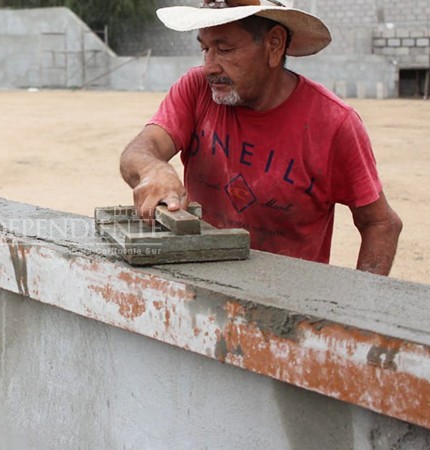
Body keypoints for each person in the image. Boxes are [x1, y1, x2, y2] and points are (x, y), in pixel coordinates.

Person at [120, 0, 403, 275]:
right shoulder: (196, 91)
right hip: (204, 284)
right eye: (205, 49)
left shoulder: (333, 123)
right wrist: (153, 169)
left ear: (274, 45)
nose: (209, 66)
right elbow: (141, 149)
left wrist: (359, 311)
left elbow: (381, 224)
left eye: (225, 49)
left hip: (288, 305)